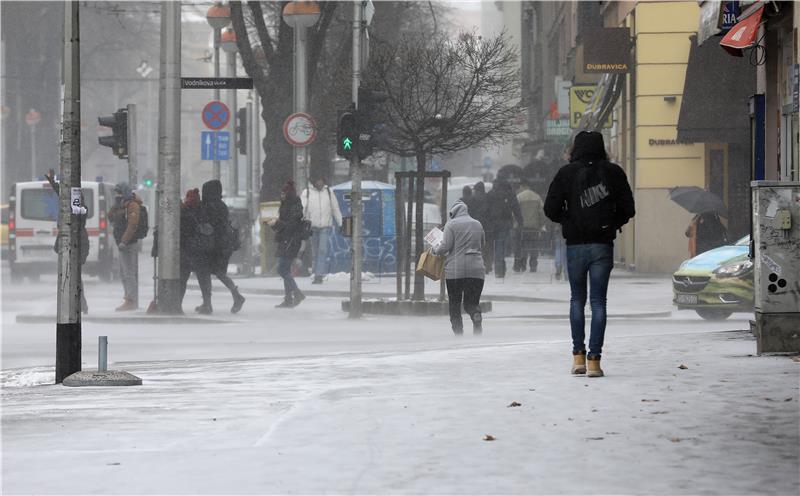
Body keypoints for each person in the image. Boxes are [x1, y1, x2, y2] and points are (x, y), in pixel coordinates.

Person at [544, 131, 635, 378]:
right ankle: (595, 360)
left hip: (575, 245)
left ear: (576, 149)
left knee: (576, 300)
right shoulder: (613, 173)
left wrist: (569, 220)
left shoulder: (566, 174)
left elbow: (550, 208)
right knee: (598, 302)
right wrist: (611, 222)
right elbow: (629, 208)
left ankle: (578, 358)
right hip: (602, 245)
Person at [433, 200, 486, 335]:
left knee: (455, 304)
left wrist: (435, 250)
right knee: (471, 302)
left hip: (456, 271)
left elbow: (445, 247)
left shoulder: (451, 225)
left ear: (453, 212)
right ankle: (475, 314)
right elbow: (483, 244)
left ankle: (458, 334)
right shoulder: (478, 224)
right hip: (476, 270)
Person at [194, 180, 245, 315]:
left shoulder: (206, 206)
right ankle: (236, 295)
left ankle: (207, 304)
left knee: (203, 273)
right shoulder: (222, 205)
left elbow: (202, 223)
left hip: (209, 245)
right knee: (219, 272)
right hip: (223, 245)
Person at [45, 170, 89, 313]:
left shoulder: (78, 212)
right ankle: (76, 304)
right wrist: (54, 184)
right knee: (72, 277)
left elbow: (70, 202)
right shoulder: (76, 207)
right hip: (72, 247)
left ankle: (79, 305)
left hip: (75, 247)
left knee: (73, 277)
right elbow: (64, 197)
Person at [269, 181, 306, 308]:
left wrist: (277, 223)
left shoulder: (295, 204)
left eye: (284, 193)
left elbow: (291, 224)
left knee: (282, 269)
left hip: (291, 240)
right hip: (285, 239)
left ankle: (297, 293)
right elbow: (284, 224)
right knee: (286, 269)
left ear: (289, 193)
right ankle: (289, 299)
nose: (282, 195)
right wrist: (274, 224)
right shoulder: (285, 204)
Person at [300, 176, 342, 284]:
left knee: (322, 250)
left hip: (325, 226)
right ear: (314, 182)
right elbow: (302, 207)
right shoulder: (307, 192)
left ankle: (319, 275)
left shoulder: (328, 191)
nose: (320, 182)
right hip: (311, 226)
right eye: (318, 180)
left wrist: (341, 223)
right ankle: (316, 273)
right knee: (315, 251)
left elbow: (335, 208)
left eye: (321, 180)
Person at [108, 182, 142, 311]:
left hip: (129, 244)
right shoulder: (121, 205)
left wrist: (124, 240)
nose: (118, 195)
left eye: (120, 192)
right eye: (117, 193)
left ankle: (131, 300)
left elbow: (132, 225)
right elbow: (110, 216)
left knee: (129, 273)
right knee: (123, 273)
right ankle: (128, 298)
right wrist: (116, 205)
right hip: (121, 243)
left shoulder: (133, 205)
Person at [485, 180, 523, 278]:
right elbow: (516, 208)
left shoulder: (490, 194)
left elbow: (485, 209)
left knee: (492, 246)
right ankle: (499, 268)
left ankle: (495, 266)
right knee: (500, 245)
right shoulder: (509, 194)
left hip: (492, 224)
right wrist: (520, 221)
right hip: (505, 224)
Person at [179, 188, 204, 308]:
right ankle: (206, 302)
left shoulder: (184, 211)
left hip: (184, 250)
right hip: (196, 250)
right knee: (196, 277)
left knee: (182, 278)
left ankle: (177, 304)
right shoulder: (201, 211)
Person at [514, 181, 546, 272]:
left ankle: (522, 265)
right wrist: (541, 224)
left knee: (521, 246)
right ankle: (533, 266)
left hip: (521, 226)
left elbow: (514, 212)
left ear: (522, 186)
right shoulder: (537, 197)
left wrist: (516, 223)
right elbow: (542, 212)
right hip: (534, 227)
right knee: (534, 247)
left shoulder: (519, 197)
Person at [464, 181, 492, 274]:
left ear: (477, 190)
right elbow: (492, 213)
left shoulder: (472, 200)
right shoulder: (488, 198)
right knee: (487, 247)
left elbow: (469, 213)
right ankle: (487, 266)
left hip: (475, 227)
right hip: (487, 227)